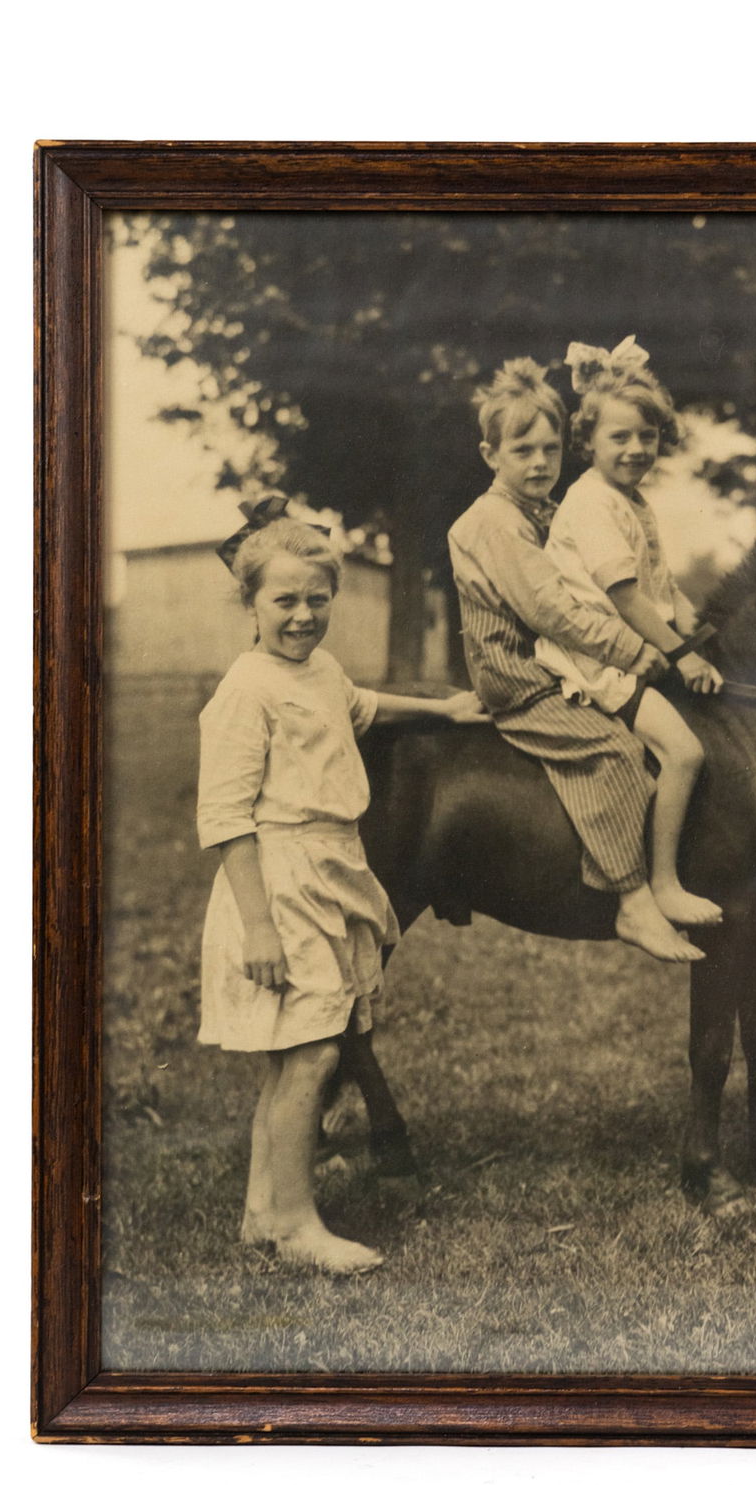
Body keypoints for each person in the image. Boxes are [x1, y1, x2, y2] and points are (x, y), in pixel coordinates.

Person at [197, 516, 486, 1273]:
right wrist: (259, 928)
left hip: (333, 873)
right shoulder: (246, 689)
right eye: (285, 600)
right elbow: (227, 819)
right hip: (280, 880)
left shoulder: (318, 672)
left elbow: (361, 704)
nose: (302, 616)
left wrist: (444, 709)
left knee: (291, 1054)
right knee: (315, 1053)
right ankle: (297, 1225)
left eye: (317, 599)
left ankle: (262, 1212)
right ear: (250, 603)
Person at [447, 357, 703, 964]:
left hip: (552, 662)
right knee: (610, 750)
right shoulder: (493, 523)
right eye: (522, 450)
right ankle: (634, 902)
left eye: (550, 449)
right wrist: (635, 652)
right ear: (491, 456)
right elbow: (553, 613)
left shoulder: (541, 511)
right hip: (520, 675)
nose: (539, 463)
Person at [536, 337, 724, 928]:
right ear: (586, 442)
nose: (636, 448)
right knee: (686, 751)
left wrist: (705, 638)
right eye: (619, 437)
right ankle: (662, 883)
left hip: (634, 649)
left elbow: (665, 590)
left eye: (647, 436)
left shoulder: (631, 501)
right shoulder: (591, 502)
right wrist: (681, 656)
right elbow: (624, 595)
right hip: (596, 658)